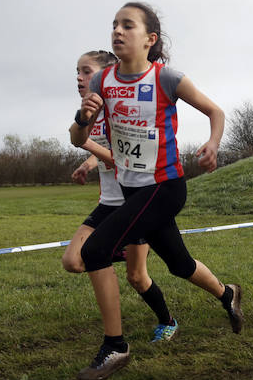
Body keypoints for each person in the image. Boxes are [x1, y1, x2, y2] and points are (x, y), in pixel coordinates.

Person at [70, 2, 243, 380]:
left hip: (166, 187)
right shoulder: (103, 82)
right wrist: (83, 118)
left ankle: (115, 345)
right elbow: (78, 138)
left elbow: (215, 112)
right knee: (180, 265)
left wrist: (213, 144)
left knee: (95, 250)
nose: (117, 31)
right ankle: (227, 294)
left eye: (127, 25)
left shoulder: (167, 79)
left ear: (150, 39)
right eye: (114, 24)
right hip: (133, 193)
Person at [61, 50, 178, 345]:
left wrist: (90, 148)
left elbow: (119, 156)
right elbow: (96, 148)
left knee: (138, 278)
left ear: (104, 74)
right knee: (73, 261)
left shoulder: (120, 107)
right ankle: (115, 248)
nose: (79, 77)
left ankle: (168, 320)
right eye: (77, 71)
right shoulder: (91, 113)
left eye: (86, 71)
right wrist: (87, 163)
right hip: (107, 204)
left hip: (135, 203)